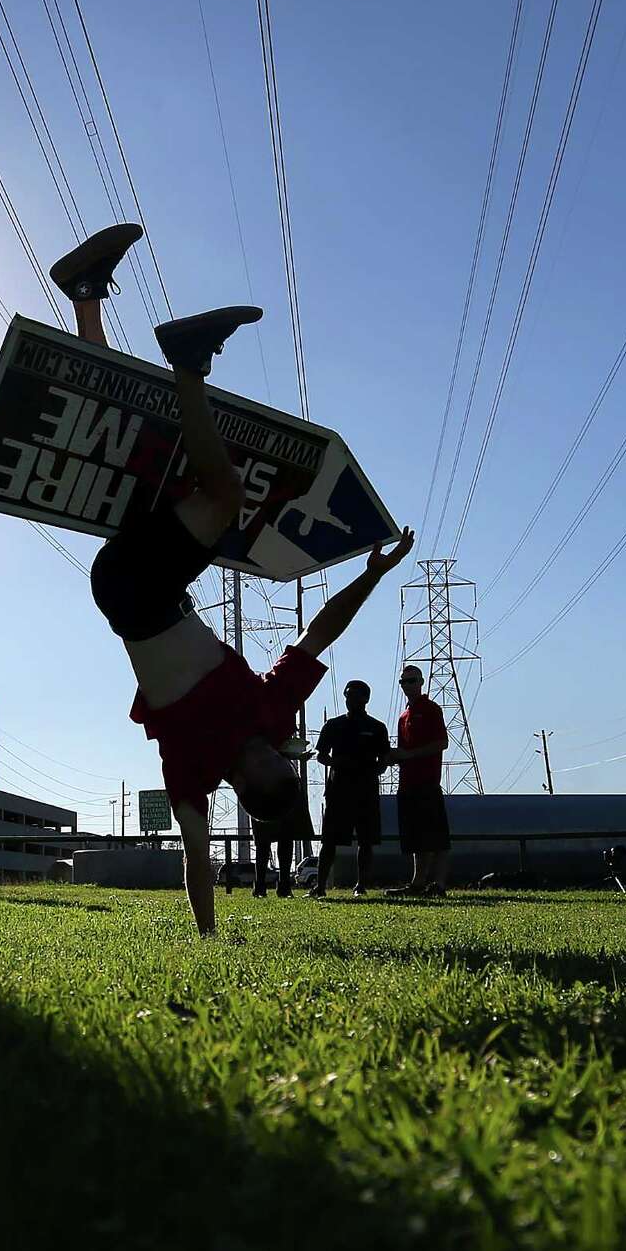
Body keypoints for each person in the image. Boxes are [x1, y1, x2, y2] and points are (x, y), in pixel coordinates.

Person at [50, 223, 415, 936]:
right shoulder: (274, 716)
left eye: (267, 768)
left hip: (133, 597)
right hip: (151, 587)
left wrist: (209, 936)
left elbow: (196, 859)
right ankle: (86, 296)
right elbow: (318, 634)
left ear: (245, 787)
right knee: (137, 448)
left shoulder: (192, 770)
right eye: (281, 760)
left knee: (221, 501)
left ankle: (189, 362)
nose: (270, 753)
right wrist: (371, 574)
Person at [312, 680, 391, 898]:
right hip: (338, 790)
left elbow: (385, 758)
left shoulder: (376, 727)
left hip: (365, 790)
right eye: (348, 696)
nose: (350, 700)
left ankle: (361, 885)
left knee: (366, 840)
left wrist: (374, 769)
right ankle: (319, 886)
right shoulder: (333, 725)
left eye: (355, 696)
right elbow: (321, 755)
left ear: (366, 699)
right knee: (329, 840)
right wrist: (336, 763)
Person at [385, 663, 450, 899]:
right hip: (407, 783)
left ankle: (439, 884)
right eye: (404, 681)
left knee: (437, 836)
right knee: (415, 838)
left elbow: (442, 743)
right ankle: (418, 882)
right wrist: (392, 757)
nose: (407, 686)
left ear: (421, 683)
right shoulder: (404, 716)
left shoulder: (431, 709)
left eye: (412, 681)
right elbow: (403, 750)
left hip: (428, 782)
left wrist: (409, 755)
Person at [252, 770, 314, 897]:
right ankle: (276, 886)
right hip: (277, 780)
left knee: (276, 839)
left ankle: (264, 886)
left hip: (270, 780)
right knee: (276, 839)